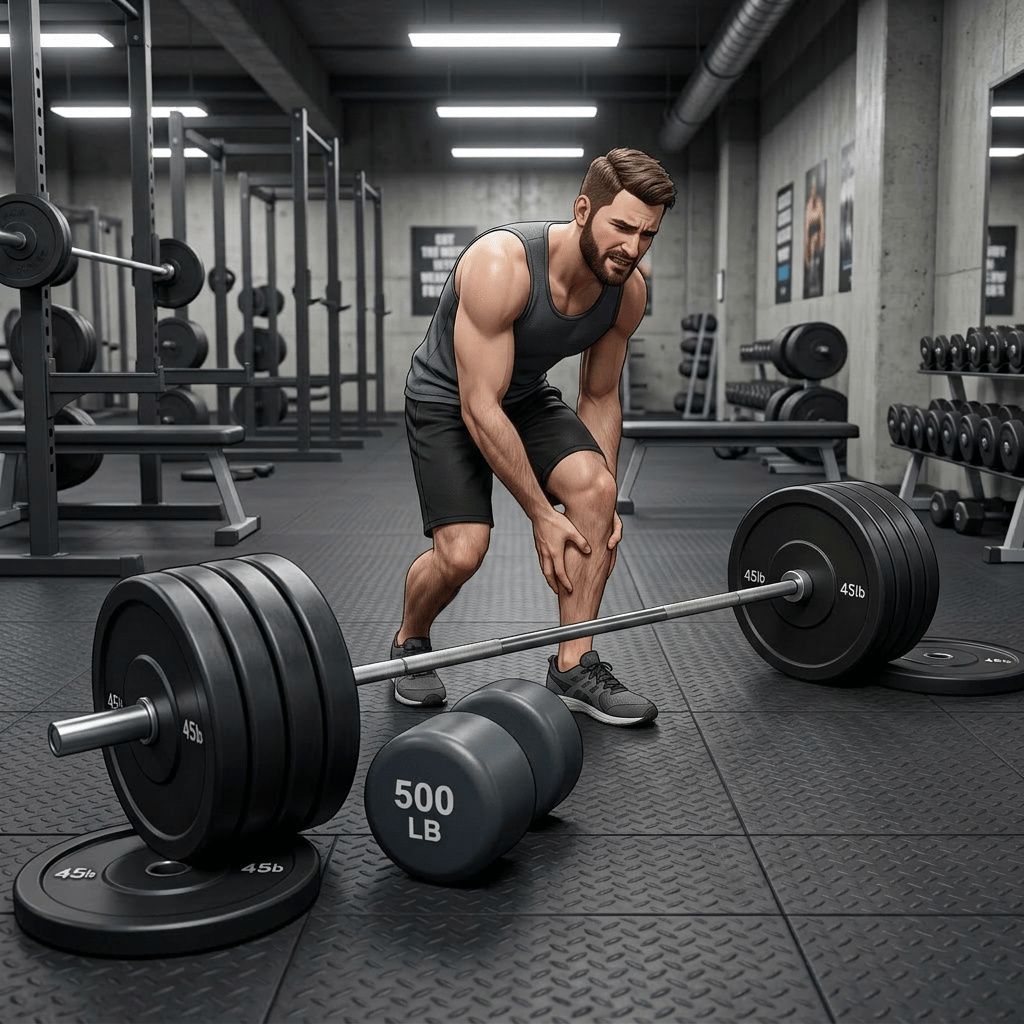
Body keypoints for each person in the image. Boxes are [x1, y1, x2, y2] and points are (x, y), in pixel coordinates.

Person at [392, 147, 676, 726]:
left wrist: (601, 495)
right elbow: (477, 406)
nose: (633, 247)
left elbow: (598, 396)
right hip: (448, 398)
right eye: (621, 226)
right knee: (463, 552)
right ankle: (411, 639)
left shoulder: (629, 292)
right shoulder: (503, 264)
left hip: (522, 395)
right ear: (582, 210)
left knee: (594, 493)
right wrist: (541, 514)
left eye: (647, 235)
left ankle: (574, 664)